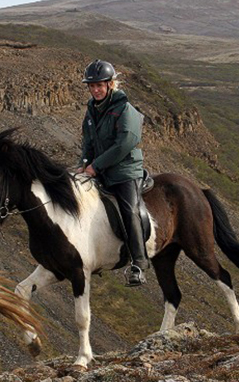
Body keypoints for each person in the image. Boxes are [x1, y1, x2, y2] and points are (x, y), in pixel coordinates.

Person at [78, 60, 149, 286]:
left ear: (110, 85)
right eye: (92, 86)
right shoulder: (91, 111)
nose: (96, 90)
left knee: (129, 210)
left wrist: (95, 166)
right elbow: (87, 143)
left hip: (125, 170)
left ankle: (139, 263)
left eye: (100, 85)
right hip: (100, 169)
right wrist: (84, 164)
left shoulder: (125, 110)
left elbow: (125, 143)